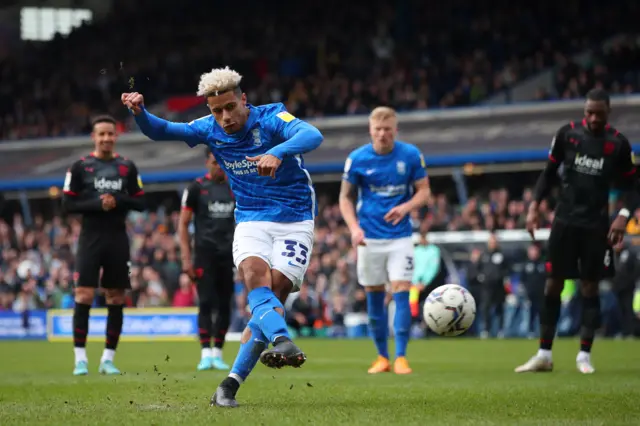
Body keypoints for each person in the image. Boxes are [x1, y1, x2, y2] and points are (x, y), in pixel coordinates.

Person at [121, 65, 323, 408]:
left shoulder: (272, 118)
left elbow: (312, 135)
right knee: (254, 276)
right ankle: (282, 340)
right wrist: (141, 113)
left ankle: (228, 386)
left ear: (244, 99)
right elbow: (162, 131)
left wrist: (278, 151)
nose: (225, 117)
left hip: (295, 218)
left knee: (273, 295)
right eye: (217, 111)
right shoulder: (208, 130)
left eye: (230, 107)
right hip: (251, 219)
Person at [517, 88, 638, 374]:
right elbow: (548, 174)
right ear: (584, 111)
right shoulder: (567, 135)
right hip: (564, 221)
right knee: (553, 283)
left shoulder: (618, 144)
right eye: (589, 112)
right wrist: (534, 207)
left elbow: (633, 189)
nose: (593, 118)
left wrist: (622, 216)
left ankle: (584, 355)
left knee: (589, 286)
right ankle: (544, 354)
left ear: (608, 112)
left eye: (599, 113)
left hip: (597, 226)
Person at [339, 106, 431, 375]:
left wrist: (406, 207)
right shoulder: (356, 159)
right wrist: (354, 229)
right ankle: (382, 357)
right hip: (369, 238)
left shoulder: (411, 155)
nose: (382, 134)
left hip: (400, 237)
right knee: (374, 298)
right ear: (370, 130)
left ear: (395, 130)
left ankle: (401, 357)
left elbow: (424, 192)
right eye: (378, 130)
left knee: (402, 290)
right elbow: (345, 197)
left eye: (387, 130)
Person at [62, 115, 146, 376]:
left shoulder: (127, 167)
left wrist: (118, 200)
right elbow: (67, 205)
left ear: (116, 136)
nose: (106, 138)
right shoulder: (79, 167)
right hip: (90, 239)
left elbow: (140, 202)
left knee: (116, 297)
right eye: (101, 134)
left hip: (117, 239)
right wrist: (98, 204)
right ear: (94, 137)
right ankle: (80, 359)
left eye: (110, 134)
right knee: (84, 295)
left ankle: (108, 359)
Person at [179, 147, 235, 371]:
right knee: (205, 302)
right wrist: (186, 259)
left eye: (222, 161)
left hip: (228, 255)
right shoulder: (196, 188)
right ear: (207, 163)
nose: (218, 166)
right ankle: (205, 353)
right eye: (214, 162)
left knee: (224, 304)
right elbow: (183, 224)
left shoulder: (234, 187)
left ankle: (218, 353)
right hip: (204, 254)